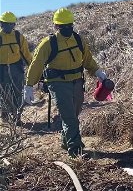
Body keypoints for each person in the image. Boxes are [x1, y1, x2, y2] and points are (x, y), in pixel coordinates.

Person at [23, 8, 108, 158]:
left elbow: (87, 59)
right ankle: (76, 149)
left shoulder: (78, 39)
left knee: (74, 114)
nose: (67, 28)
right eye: (63, 26)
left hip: (77, 82)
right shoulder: (48, 43)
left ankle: (65, 139)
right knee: (69, 117)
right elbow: (36, 64)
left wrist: (98, 72)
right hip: (58, 84)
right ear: (56, 26)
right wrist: (29, 86)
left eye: (70, 25)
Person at [0, 12, 32, 125]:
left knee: (18, 93)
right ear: (1, 24)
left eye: (11, 24)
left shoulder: (18, 36)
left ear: (14, 25)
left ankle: (17, 118)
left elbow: (26, 54)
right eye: (5, 24)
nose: (8, 27)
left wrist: (32, 67)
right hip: (2, 71)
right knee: (4, 94)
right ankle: (5, 116)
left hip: (16, 69)